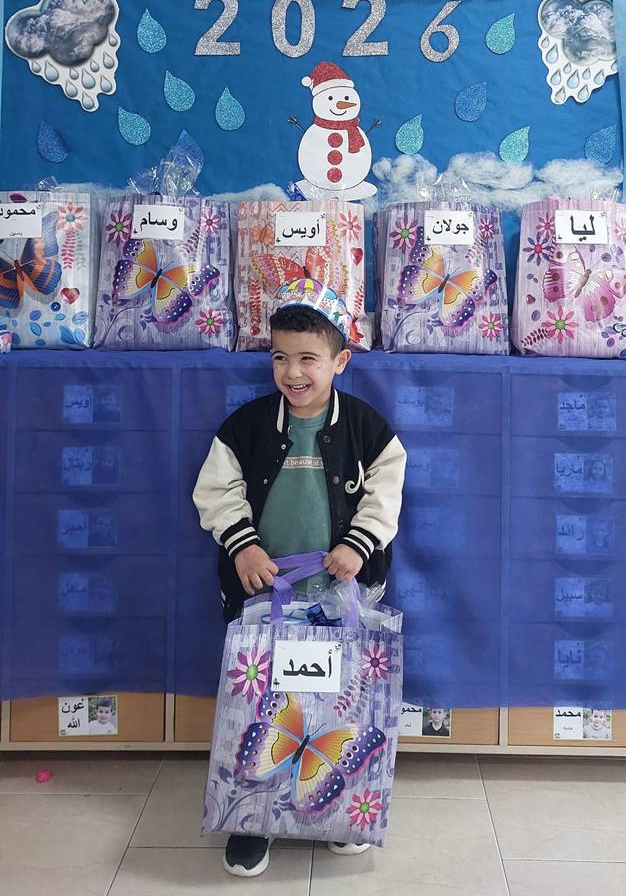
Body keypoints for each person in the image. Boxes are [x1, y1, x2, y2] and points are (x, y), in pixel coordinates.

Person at [193, 284, 406, 879]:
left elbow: (387, 493)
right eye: (280, 357)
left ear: (341, 361)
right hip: (264, 600)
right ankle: (251, 817)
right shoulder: (246, 426)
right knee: (262, 706)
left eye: (309, 358)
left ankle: (336, 809)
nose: (293, 372)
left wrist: (358, 545)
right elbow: (215, 490)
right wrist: (243, 545)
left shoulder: (367, 428)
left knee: (336, 707)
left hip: (340, 599)